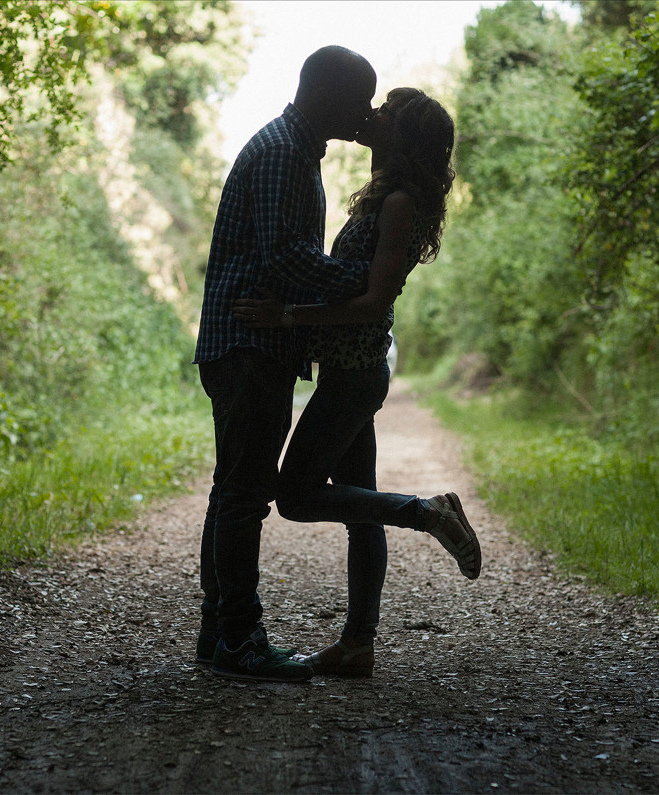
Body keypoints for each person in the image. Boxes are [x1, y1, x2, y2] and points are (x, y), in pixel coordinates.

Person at [233, 88, 481, 678]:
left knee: (295, 497)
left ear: (405, 136)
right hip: (350, 370)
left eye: (386, 111)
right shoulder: (383, 193)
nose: (372, 113)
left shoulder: (400, 203)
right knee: (358, 505)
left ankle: (426, 512)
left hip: (356, 374)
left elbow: (372, 302)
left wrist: (287, 317)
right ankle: (357, 644)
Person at [192, 46, 378, 682]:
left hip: (249, 346)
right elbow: (285, 257)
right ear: (327, 93)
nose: (365, 112)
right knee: (244, 496)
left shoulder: (293, 149)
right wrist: (366, 281)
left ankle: (219, 632)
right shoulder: (282, 154)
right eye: (359, 99)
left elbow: (285, 256)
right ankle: (240, 640)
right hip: (250, 346)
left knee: (233, 490)